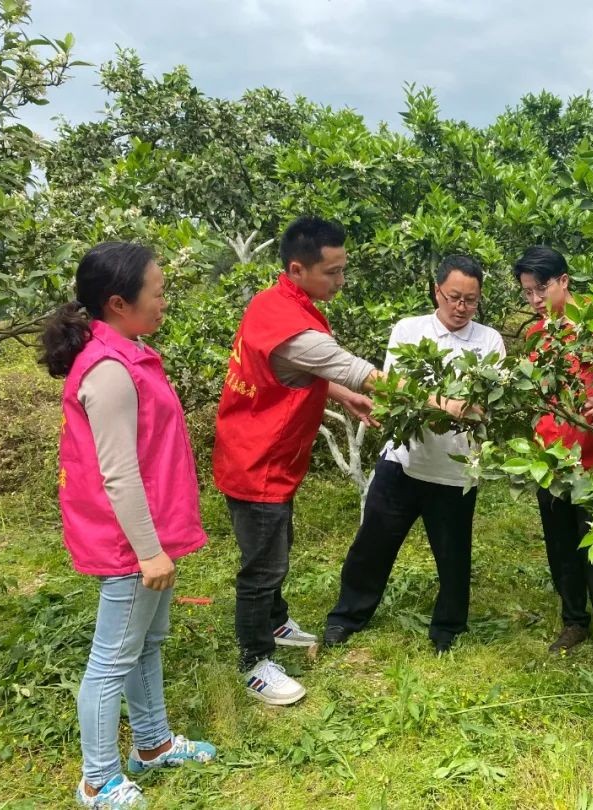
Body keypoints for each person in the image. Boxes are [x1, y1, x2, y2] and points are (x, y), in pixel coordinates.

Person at [213, 216, 469, 705]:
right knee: (262, 566)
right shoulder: (295, 325)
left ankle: (275, 620)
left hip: (262, 450)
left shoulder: (273, 303)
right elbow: (361, 372)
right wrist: (440, 402)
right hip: (257, 461)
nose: (341, 280)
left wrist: (339, 396)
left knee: (276, 545)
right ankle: (255, 660)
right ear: (298, 269)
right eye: (332, 272)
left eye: (342, 268)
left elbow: (291, 367)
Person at [40, 242, 216, 809]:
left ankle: (153, 743)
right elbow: (117, 473)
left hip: (148, 534)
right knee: (112, 659)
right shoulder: (110, 370)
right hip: (130, 543)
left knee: (145, 645)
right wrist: (147, 551)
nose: (164, 302)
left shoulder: (129, 353)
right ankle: (97, 780)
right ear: (119, 303)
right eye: (157, 293)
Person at [324, 256, 505, 654]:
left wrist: (443, 405)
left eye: (471, 300)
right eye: (454, 297)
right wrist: (447, 404)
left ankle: (447, 629)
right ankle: (346, 618)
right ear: (437, 291)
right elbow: (395, 391)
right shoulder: (409, 330)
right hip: (402, 461)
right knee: (371, 547)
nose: (461, 307)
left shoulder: (489, 341)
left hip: (456, 470)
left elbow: (483, 405)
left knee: (453, 557)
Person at [513, 245, 593, 685]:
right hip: (551, 461)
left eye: (540, 289)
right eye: (527, 293)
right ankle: (574, 621)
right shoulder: (537, 335)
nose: (534, 299)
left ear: (564, 280)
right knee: (561, 549)